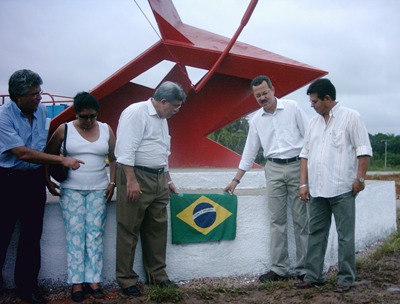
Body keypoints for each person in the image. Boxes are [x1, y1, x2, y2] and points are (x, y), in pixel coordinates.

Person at [0, 69, 83, 304]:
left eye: (40, 92)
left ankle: (27, 288)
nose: (39, 97)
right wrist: (61, 160)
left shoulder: (42, 110)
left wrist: (47, 178)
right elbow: (22, 152)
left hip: (32, 181)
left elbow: (42, 149)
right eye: (34, 94)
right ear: (17, 96)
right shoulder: (3, 117)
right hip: (7, 179)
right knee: (2, 234)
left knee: (31, 236)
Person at [224, 75, 309, 282]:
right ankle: (279, 269)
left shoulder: (293, 108)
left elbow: (310, 138)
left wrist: (309, 174)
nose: (262, 97)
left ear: (272, 90)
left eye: (264, 92)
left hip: (298, 166)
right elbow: (249, 152)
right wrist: (236, 180)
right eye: (257, 95)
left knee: (301, 220)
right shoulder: (256, 121)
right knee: (276, 220)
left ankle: (305, 269)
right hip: (273, 170)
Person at [294, 78, 372, 293]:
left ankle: (345, 279)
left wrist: (360, 180)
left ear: (327, 99)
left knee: (345, 236)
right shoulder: (313, 123)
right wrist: (303, 184)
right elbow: (305, 155)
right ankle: (313, 276)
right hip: (317, 190)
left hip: (343, 189)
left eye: (314, 101)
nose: (312, 105)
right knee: (315, 234)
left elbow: (363, 151)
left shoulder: (351, 117)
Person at [114, 81, 185, 297]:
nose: (177, 111)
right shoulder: (136, 113)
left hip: (158, 177)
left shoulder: (163, 119)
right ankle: (126, 280)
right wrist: (131, 180)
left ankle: (157, 276)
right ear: (163, 101)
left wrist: (168, 179)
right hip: (136, 175)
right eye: (175, 106)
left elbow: (162, 150)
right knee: (129, 229)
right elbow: (125, 149)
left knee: (157, 229)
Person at [45, 92, 116, 302]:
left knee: (94, 234)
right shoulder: (64, 129)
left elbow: (114, 159)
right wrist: (48, 181)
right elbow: (47, 155)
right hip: (72, 190)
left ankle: (93, 280)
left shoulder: (106, 129)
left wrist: (112, 183)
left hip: (99, 189)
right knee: (75, 234)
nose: (88, 121)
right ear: (76, 113)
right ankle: (77, 282)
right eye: (83, 116)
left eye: (92, 116)